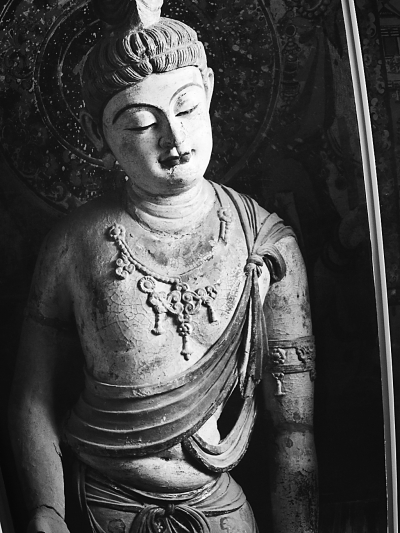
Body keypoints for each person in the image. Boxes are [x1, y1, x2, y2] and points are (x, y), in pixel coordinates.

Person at [9, 1, 318, 531]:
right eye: (142, 123)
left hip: (219, 508)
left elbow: (295, 428)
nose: (175, 140)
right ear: (97, 134)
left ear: (210, 91)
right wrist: (47, 509)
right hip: (104, 506)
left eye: (187, 108)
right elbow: (31, 399)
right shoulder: (75, 243)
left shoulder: (266, 244)